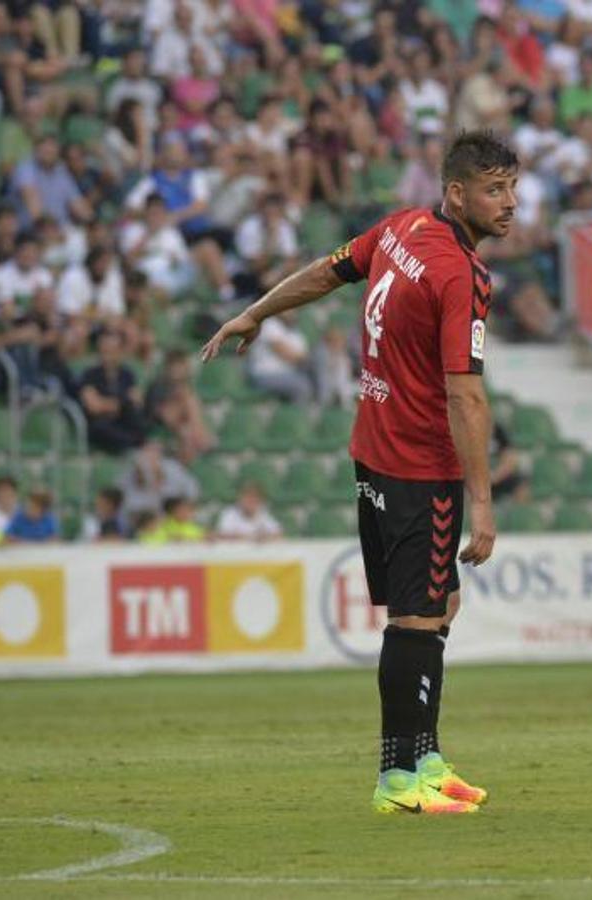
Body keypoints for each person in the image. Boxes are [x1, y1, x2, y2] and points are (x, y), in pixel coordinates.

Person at [202, 130, 511, 817]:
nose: (510, 203)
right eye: (495, 189)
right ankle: (398, 777)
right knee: (416, 617)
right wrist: (482, 503)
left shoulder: (402, 226)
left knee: (439, 604)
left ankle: (424, 756)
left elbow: (325, 270)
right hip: (417, 460)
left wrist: (258, 310)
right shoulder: (461, 275)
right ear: (456, 193)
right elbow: (465, 394)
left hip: (373, 447)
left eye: (513, 187)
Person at [215, 482, 282, 541]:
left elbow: (278, 534)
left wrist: (266, 537)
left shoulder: (263, 513)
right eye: (247, 497)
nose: (251, 501)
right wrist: (252, 537)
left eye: (255, 497)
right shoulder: (229, 513)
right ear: (240, 498)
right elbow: (223, 536)